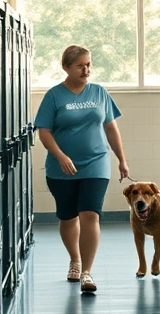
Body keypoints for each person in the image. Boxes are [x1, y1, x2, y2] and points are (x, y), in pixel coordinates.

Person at [35, 45, 129, 294]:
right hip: (61, 167)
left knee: (91, 215)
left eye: (89, 64)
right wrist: (61, 156)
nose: (86, 69)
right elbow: (44, 131)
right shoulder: (54, 96)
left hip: (96, 162)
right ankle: (74, 259)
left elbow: (110, 127)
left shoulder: (99, 92)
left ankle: (87, 271)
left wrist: (121, 158)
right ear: (66, 67)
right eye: (80, 65)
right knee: (68, 217)